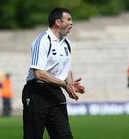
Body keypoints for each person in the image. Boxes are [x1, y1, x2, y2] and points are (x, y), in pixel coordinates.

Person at [22, 7, 85, 139]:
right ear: (58, 22)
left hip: (56, 92)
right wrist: (64, 84)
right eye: (68, 19)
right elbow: (39, 73)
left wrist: (70, 85)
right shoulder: (43, 40)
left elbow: (67, 70)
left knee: (64, 136)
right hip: (37, 92)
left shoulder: (66, 43)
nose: (71, 23)